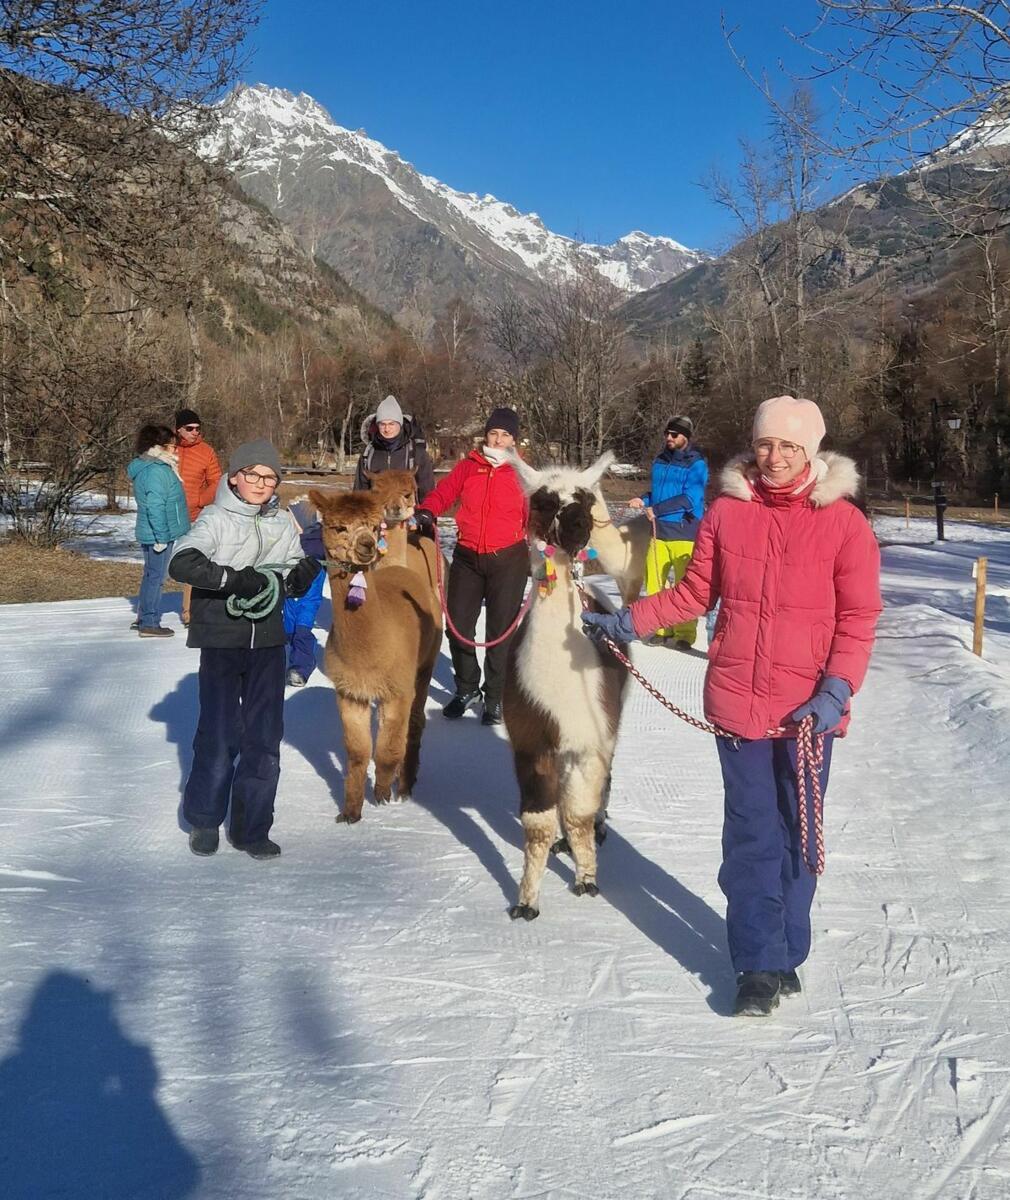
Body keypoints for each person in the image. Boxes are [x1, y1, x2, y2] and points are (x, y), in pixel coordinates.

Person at [582, 396, 881, 1017]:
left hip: (808, 714)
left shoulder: (844, 524)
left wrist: (838, 689)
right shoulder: (725, 513)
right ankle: (758, 962)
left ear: (812, 453)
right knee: (752, 836)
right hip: (740, 707)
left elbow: (858, 619)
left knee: (800, 836)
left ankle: (784, 949)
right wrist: (628, 620)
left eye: (790, 447)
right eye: (766, 444)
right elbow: (694, 591)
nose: (774, 457)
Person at [168, 438, 323, 859]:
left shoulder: (279, 524)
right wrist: (237, 580)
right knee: (219, 736)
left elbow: (291, 575)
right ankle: (204, 819)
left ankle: (252, 828)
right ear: (234, 477)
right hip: (221, 641)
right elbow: (180, 563)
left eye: (269, 477)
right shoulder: (215, 519)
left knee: (264, 737)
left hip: (268, 643)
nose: (260, 482)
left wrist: (301, 575)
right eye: (252, 474)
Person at [415, 407, 528, 726]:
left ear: (513, 440)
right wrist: (427, 511)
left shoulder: (523, 472)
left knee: (500, 632)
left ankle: (494, 696)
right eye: (494, 433)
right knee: (459, 626)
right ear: (486, 435)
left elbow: (536, 515)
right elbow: (443, 493)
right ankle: (467, 688)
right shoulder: (469, 466)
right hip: (467, 556)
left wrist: (544, 548)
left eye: (505, 435)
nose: (498, 439)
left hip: (509, 558)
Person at [628, 415, 708, 649]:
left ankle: (684, 633)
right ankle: (660, 629)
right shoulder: (660, 461)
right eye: (667, 434)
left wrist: (657, 508)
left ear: (686, 437)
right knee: (654, 583)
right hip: (658, 531)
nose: (669, 438)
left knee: (684, 587)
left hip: (685, 532)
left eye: (674, 434)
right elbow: (657, 493)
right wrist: (643, 499)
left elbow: (690, 499)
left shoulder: (697, 464)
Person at [127, 423, 191, 637]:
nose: (176, 450)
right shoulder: (156, 470)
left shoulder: (153, 467)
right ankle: (149, 622)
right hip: (158, 534)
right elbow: (155, 506)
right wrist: (161, 537)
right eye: (172, 446)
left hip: (154, 531)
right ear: (159, 447)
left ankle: (145, 617)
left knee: (150, 575)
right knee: (156, 577)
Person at [173, 408, 222, 628]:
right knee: (157, 567)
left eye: (198, 428)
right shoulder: (168, 449)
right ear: (178, 430)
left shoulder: (206, 451)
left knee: (193, 563)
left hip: (194, 515)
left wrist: (201, 500)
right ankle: (147, 615)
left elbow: (216, 481)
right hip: (168, 515)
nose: (195, 432)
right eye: (189, 428)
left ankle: (189, 613)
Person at [353, 394, 436, 500]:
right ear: (377, 425)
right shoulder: (368, 454)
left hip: (408, 514)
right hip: (377, 513)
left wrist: (425, 514)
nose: (387, 429)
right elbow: (359, 492)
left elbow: (427, 492)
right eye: (382, 424)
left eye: (391, 424)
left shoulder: (417, 453)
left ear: (400, 424)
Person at [282, 499, 327, 688]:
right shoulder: (288, 542)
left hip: (308, 600)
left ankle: (300, 668)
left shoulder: (315, 544)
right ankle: (297, 655)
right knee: (289, 631)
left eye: (291, 520)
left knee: (301, 630)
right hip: (290, 597)